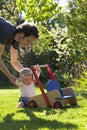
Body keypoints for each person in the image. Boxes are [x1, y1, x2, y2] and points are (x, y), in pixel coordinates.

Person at [0, 17, 39, 86]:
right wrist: (11, 77)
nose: (28, 44)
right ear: (22, 34)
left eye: (30, 43)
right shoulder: (6, 32)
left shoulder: (15, 40)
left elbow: (14, 61)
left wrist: (28, 75)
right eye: (28, 41)